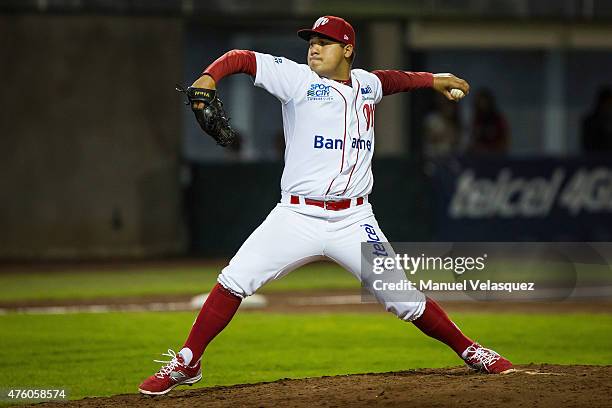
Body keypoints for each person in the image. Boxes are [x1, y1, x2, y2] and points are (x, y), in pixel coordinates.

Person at [138, 16, 513, 396]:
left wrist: (434, 79)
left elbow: (395, 80)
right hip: (296, 215)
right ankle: (188, 360)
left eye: (325, 42)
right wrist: (209, 76)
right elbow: (243, 57)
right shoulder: (298, 80)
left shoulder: (365, 84)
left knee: (402, 299)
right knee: (235, 279)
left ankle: (470, 350)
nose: (314, 48)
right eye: (311, 41)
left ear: (348, 50)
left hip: (354, 218)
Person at [469, 88, 510, 154]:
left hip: (496, 156)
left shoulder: (498, 119)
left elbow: (505, 140)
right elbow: (473, 139)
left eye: (485, 102)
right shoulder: (476, 120)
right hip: (479, 156)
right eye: (480, 103)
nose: (483, 105)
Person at [423, 93, 462, 158]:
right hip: (433, 157)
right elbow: (430, 137)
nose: (449, 109)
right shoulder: (432, 119)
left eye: (451, 106)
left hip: (450, 158)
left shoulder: (456, 122)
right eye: (447, 106)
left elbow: (456, 141)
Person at [582, 85, 612, 152]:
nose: (609, 107)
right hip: (595, 159)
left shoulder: (609, 120)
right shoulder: (590, 122)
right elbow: (588, 145)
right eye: (608, 104)